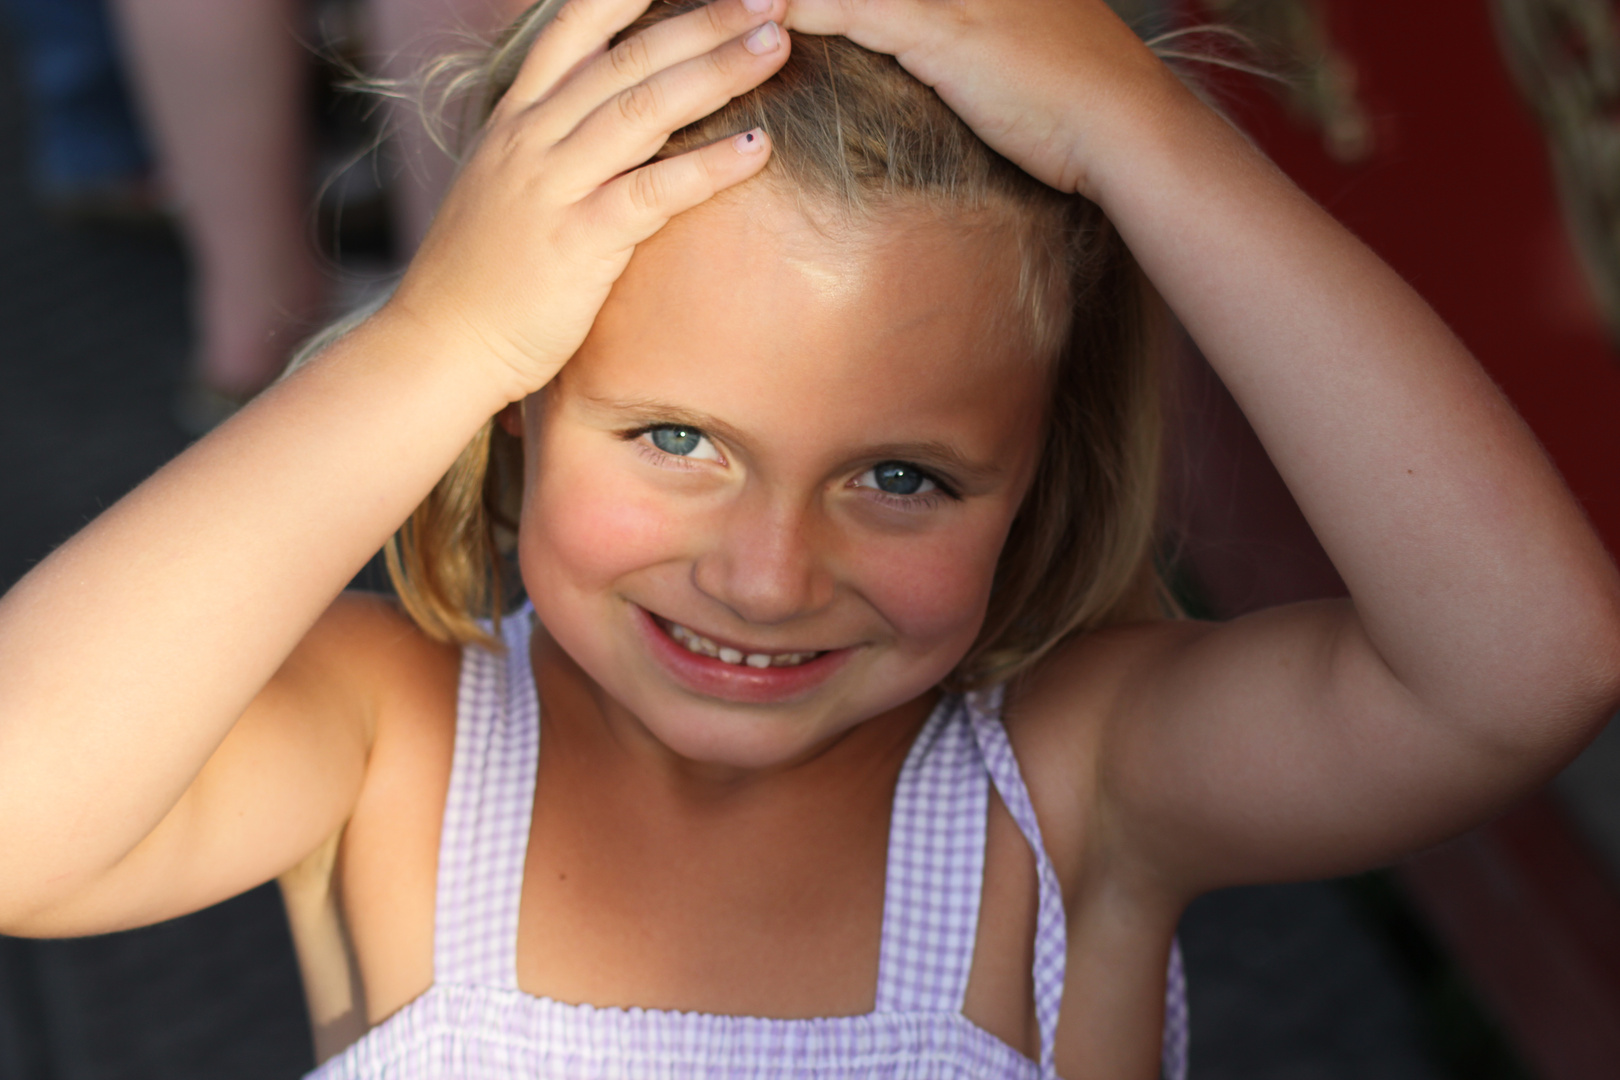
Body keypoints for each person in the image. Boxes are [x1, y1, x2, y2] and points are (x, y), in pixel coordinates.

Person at [1, 0, 1617, 1077]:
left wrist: (1146, 135)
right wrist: (430, 340)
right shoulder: (394, 748)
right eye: (677, 439)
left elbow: (1527, 666)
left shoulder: (1069, 797)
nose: (767, 576)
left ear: (1040, 477)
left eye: (903, 477)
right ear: (516, 402)